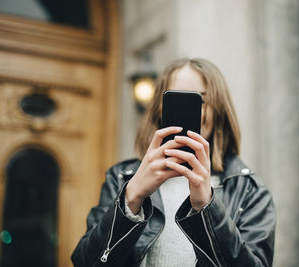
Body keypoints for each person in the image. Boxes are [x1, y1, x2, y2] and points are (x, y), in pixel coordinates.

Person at [71, 58, 276, 267]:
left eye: (200, 100)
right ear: (159, 109)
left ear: (219, 112)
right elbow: (86, 263)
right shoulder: (121, 178)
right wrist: (131, 198)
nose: (188, 111)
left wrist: (206, 207)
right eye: (175, 100)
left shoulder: (249, 190)